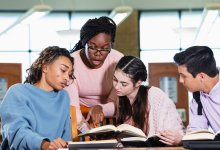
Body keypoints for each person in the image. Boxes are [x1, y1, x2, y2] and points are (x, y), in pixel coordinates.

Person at [0, 46, 74, 150]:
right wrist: (45, 145)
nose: (67, 78)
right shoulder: (17, 92)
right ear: (45, 67)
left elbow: (66, 137)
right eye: (63, 70)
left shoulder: (64, 97)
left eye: (70, 75)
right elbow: (18, 133)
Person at [65, 16, 123, 132]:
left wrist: (100, 108)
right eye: (93, 47)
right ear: (84, 43)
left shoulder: (118, 61)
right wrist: (90, 134)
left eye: (105, 48)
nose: (98, 53)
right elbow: (73, 108)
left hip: (109, 114)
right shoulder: (70, 63)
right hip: (77, 117)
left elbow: (116, 102)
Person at [113, 56, 184, 146]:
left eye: (124, 84)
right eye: (115, 80)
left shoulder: (155, 95)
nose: (116, 87)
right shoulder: (121, 98)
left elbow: (172, 133)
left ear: (138, 82)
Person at [173, 46, 220, 133]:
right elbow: (196, 131)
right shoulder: (197, 97)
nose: (180, 80)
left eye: (184, 76)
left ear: (201, 76)